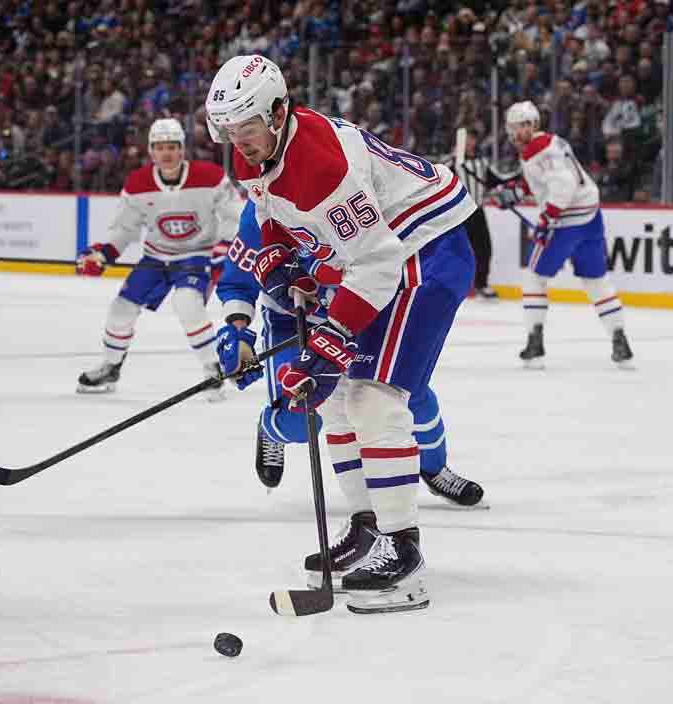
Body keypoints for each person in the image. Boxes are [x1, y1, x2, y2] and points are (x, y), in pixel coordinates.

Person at [205, 55, 476, 613]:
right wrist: (279, 261)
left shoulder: (321, 169)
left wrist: (331, 339)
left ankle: (404, 556)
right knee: (333, 403)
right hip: (383, 253)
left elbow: (378, 262)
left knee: (374, 398)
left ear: (277, 113)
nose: (238, 141)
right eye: (227, 130)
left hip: (426, 251)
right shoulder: (260, 149)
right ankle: (369, 527)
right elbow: (273, 215)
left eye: (246, 126)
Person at [213, 200, 485, 510]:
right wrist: (237, 328)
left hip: (357, 313)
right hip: (294, 319)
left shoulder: (360, 190)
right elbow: (238, 280)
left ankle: (435, 468)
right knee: (301, 418)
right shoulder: (264, 206)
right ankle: (271, 428)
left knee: (405, 391)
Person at [75, 117, 242, 397]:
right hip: (156, 257)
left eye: (173, 147)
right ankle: (110, 366)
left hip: (196, 256)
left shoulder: (210, 177)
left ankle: (212, 368)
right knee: (121, 309)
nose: (167, 153)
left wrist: (224, 247)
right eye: (160, 147)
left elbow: (234, 215)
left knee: (187, 303)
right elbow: (125, 229)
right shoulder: (138, 183)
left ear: (182, 149)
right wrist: (104, 254)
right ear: (151, 151)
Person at [500, 100, 633, 369]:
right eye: (514, 127)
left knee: (535, 276)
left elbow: (564, 185)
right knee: (596, 280)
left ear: (531, 125)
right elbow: (544, 181)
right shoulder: (552, 142)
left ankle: (535, 341)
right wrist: (516, 192)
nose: (516, 132)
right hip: (590, 216)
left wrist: (546, 218)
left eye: (520, 126)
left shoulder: (538, 149)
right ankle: (619, 338)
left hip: (565, 221)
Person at [453, 127, 502, 300]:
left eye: (472, 138)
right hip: (459, 214)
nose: (470, 142)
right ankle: (456, 285)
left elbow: (495, 181)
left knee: (484, 249)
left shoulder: (482, 162)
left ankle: (481, 284)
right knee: (458, 251)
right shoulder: (451, 164)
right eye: (467, 138)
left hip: (478, 211)